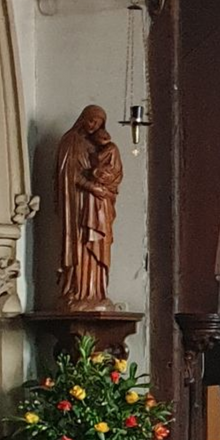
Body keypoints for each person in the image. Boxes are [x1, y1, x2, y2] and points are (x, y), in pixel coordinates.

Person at [55, 105, 122, 310]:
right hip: (78, 205)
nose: (94, 126)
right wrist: (93, 187)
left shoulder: (104, 147)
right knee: (80, 245)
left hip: (98, 207)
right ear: (83, 118)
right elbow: (68, 176)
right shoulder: (70, 142)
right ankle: (77, 291)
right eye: (92, 121)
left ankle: (96, 292)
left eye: (99, 123)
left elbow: (114, 173)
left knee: (98, 246)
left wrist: (104, 189)